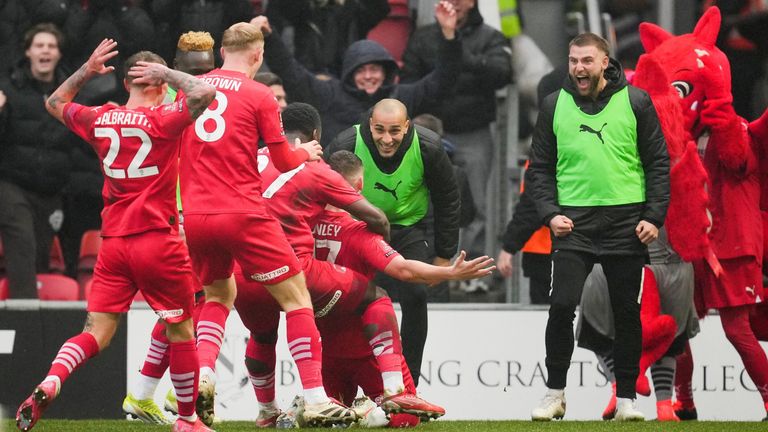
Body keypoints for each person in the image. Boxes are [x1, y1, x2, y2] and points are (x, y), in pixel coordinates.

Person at [235, 103, 487, 425]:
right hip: (361, 349)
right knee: (378, 295)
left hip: (251, 271)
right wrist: (448, 270)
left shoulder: (258, 164)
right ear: (355, 188)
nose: (386, 138)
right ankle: (390, 393)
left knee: (263, 333)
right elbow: (404, 269)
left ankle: (271, 411)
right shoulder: (355, 228)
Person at [16, 40, 217, 432]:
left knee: (96, 333)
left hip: (112, 243)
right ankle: (189, 420)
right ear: (159, 84)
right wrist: (171, 74)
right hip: (157, 241)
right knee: (181, 330)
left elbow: (55, 101)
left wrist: (87, 70)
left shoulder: (100, 118)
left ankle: (51, 380)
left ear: (126, 84)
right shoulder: (164, 119)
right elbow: (204, 92)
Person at [176, 22, 353, 427]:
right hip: (242, 212)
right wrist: (305, 152)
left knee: (217, 297)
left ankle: (204, 375)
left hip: (198, 217)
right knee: (296, 299)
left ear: (221, 51)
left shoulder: (192, 90)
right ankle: (315, 397)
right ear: (257, 56)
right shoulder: (259, 95)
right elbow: (284, 161)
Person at [527, 32, 669, 421]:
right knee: (560, 307)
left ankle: (626, 400)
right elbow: (538, 168)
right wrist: (549, 213)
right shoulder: (554, 105)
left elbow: (658, 162)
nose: (578, 68)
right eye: (573, 60)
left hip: (628, 224)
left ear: (606, 62)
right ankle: (555, 394)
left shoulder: (637, 101)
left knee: (627, 313)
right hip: (574, 224)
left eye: (586, 60)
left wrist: (653, 217)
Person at [327, 98, 461, 387]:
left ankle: (408, 385)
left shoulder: (429, 147)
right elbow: (321, 190)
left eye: (394, 131)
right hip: (357, 228)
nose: (386, 139)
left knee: (416, 297)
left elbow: (448, 198)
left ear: (407, 127)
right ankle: (345, 385)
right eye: (379, 130)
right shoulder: (345, 142)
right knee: (351, 299)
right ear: (369, 125)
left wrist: (443, 254)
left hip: (407, 228)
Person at [122, 30, 217, 425]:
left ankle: (142, 395)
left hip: (196, 215)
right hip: (176, 218)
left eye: (209, 69)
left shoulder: (197, 101)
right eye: (196, 71)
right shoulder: (175, 104)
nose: (204, 76)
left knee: (185, 310)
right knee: (192, 309)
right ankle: (181, 402)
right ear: (174, 71)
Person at [401, 0, 512, 284]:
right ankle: (431, 268)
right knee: (422, 203)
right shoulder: (423, 37)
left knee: (475, 207)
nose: (456, 4)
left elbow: (502, 74)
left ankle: (472, 277)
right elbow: (409, 80)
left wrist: (456, 46)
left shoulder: (490, 36)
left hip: (473, 131)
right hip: (428, 131)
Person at [251, 0, 461, 147]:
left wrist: (449, 36)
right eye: (361, 70)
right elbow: (289, 71)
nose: (368, 75)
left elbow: (443, 80)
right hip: (339, 190)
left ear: (386, 72)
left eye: (375, 69)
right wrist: (269, 37)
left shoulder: (401, 97)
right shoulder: (329, 94)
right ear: (349, 73)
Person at [0, 23, 75, 299]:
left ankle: (44, 320)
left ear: (58, 54)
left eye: (51, 46)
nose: (46, 50)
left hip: (52, 190)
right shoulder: (8, 88)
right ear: (28, 52)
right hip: (12, 184)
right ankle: (25, 314)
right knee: (22, 242)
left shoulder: (71, 91)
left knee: (41, 255)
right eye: (40, 46)